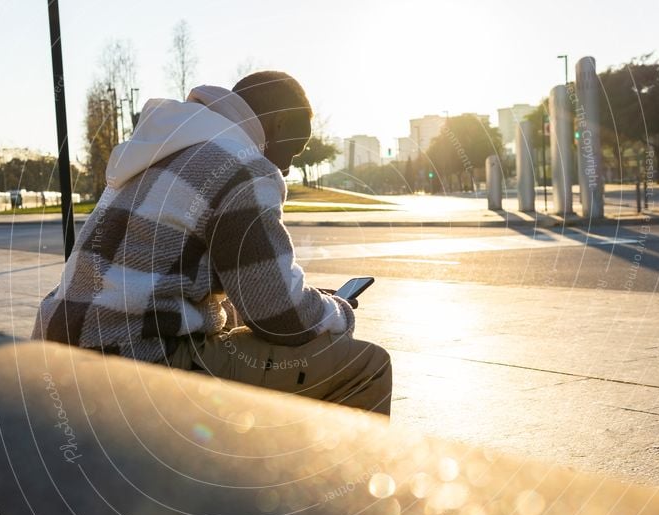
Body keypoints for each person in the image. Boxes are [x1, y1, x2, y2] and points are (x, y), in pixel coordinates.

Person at [32, 71, 392, 416]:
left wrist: (301, 299)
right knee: (368, 365)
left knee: (243, 345)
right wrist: (338, 311)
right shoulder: (242, 165)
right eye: (294, 151)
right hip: (138, 362)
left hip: (61, 349)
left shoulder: (163, 150)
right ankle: (314, 479)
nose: (286, 167)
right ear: (279, 123)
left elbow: (193, 286)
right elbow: (277, 317)